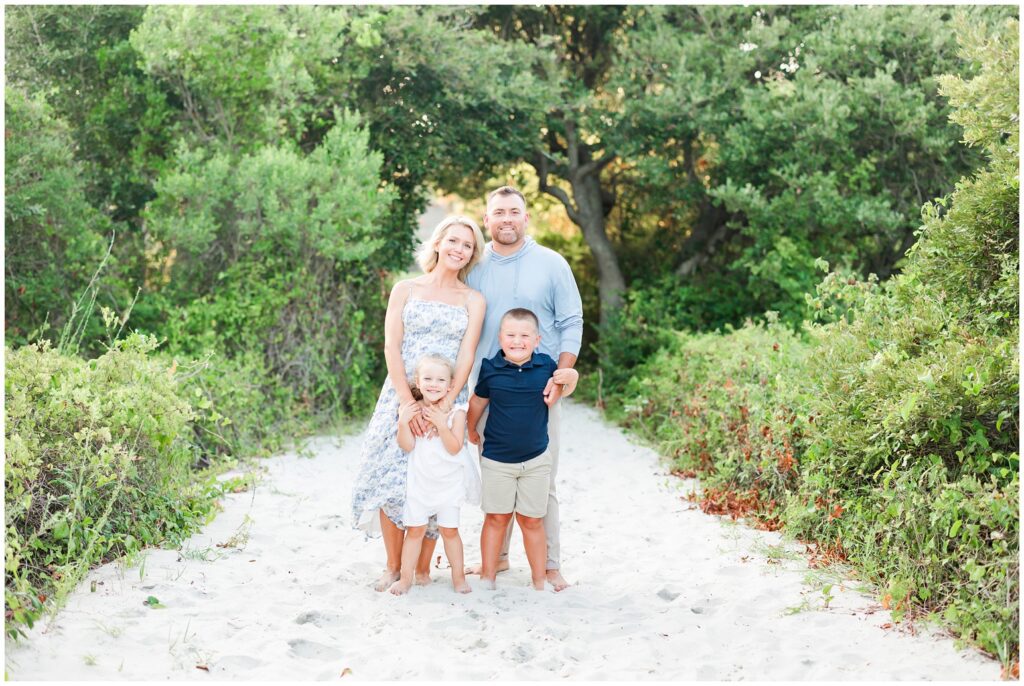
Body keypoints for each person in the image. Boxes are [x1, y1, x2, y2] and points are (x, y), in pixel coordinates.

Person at [351, 216, 486, 592]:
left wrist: (443, 408)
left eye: (468, 246)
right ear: (439, 242)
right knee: (390, 478)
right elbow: (391, 346)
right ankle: (393, 567)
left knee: (434, 476)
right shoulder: (405, 289)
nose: (459, 250)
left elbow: (467, 354)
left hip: (447, 399)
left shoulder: (473, 299)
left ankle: (422, 569)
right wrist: (406, 400)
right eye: (454, 241)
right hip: (400, 395)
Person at [465, 186, 583, 592]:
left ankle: (549, 565)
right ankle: (495, 560)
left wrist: (561, 376)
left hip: (539, 391)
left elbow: (572, 322)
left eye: (514, 211)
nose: (507, 219)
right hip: (488, 390)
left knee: (541, 479)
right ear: (487, 220)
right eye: (499, 212)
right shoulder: (474, 267)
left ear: (526, 217)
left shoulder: (551, 264)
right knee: (494, 477)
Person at [467, 308, 577, 591]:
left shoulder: (546, 367)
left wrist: (570, 374)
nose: (518, 341)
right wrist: (470, 428)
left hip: (536, 460)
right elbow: (478, 404)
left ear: (537, 339)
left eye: (525, 335)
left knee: (532, 520)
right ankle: (488, 577)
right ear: (500, 338)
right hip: (497, 460)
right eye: (511, 335)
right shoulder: (491, 368)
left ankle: (539, 580)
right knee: (496, 518)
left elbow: (566, 385)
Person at [389, 353, 481, 596]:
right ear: (417, 383)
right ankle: (406, 578)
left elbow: (454, 448)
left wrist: (441, 423)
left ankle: (459, 578)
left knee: (450, 531)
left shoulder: (457, 412)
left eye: (440, 380)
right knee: (415, 531)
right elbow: (407, 445)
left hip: (448, 485)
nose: (433, 384)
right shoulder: (413, 410)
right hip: (419, 484)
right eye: (427, 378)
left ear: (450, 385)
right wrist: (402, 423)